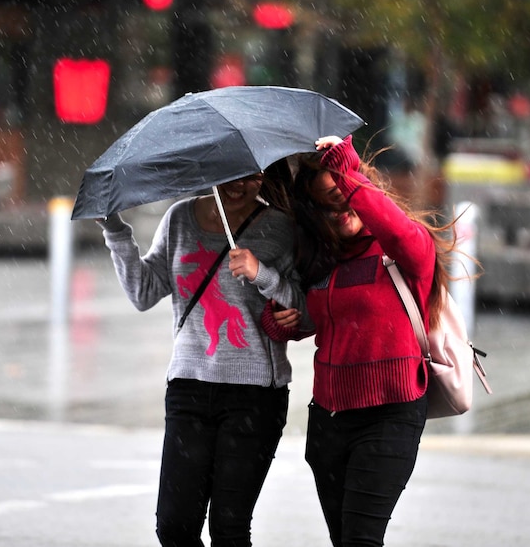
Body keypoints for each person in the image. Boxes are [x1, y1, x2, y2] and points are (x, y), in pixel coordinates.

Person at [265, 135, 463, 547]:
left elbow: (393, 227)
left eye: (343, 195)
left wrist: (346, 171)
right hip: (329, 422)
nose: (340, 211)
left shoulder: (402, 250)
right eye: (326, 205)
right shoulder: (323, 260)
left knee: (361, 540)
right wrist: (284, 321)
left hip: (389, 416)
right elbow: (313, 321)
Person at [97, 161, 304, 547]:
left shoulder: (278, 226)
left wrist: (262, 273)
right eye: (232, 172)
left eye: (253, 175)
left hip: (255, 394)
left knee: (228, 528)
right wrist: (115, 231)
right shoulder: (180, 219)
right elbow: (144, 292)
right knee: (174, 527)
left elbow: (301, 308)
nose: (241, 183)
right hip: (189, 387)